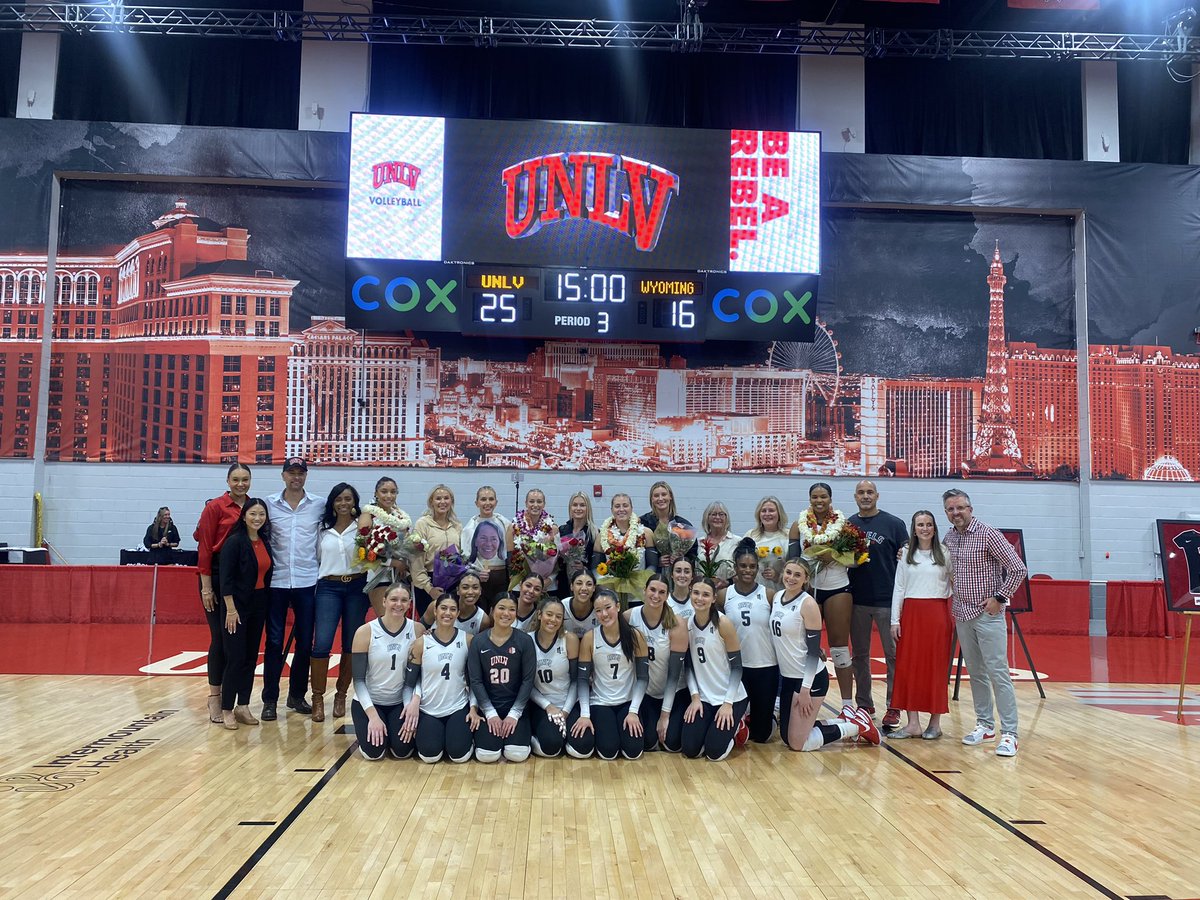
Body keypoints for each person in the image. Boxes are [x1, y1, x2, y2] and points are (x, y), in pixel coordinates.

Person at [942, 489, 1025, 758]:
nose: (956, 513)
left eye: (960, 508)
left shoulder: (988, 533)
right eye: (951, 510)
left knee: (997, 672)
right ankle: (985, 725)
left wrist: (1000, 597)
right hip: (962, 614)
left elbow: (1018, 568)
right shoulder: (949, 538)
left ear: (970, 508)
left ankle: (1010, 733)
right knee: (975, 672)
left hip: (987, 615)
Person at [770, 559, 881, 751]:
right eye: (788, 573)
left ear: (806, 579)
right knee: (787, 737)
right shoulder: (777, 596)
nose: (791, 578)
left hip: (809, 679)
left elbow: (814, 652)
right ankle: (845, 722)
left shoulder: (808, 604)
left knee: (798, 744)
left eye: (798, 575)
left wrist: (805, 689)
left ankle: (857, 726)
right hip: (789, 678)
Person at [261, 457, 322, 721]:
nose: (296, 477)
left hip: (308, 581)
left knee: (305, 643)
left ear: (306, 476)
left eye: (301, 473)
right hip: (276, 582)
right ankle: (270, 699)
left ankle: (297, 695)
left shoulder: (318, 505)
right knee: (274, 643)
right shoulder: (268, 504)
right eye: (291, 473)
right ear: (283, 475)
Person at [789, 482, 857, 720]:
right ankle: (800, 696)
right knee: (807, 648)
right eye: (815, 497)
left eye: (824, 496)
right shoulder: (799, 525)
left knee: (839, 647)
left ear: (830, 498)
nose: (819, 501)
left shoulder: (843, 524)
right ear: (810, 499)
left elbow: (856, 559)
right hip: (811, 590)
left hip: (838, 587)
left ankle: (847, 703)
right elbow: (792, 561)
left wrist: (834, 556)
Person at [847, 480, 909, 729]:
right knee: (859, 655)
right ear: (855, 497)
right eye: (861, 492)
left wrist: (904, 552)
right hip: (857, 599)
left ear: (877, 496)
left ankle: (894, 706)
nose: (865, 496)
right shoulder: (848, 524)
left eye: (869, 492)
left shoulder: (894, 524)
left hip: (887, 600)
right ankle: (864, 704)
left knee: (893, 655)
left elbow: (907, 554)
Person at [889, 511, 955, 740]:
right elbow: (899, 587)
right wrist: (894, 620)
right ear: (914, 529)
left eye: (928, 524)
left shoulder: (945, 553)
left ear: (934, 528)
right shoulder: (906, 554)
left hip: (937, 616)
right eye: (920, 525)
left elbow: (956, 584)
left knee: (935, 669)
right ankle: (913, 724)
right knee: (909, 669)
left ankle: (935, 724)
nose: (925, 528)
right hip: (911, 615)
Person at [194, 462, 252, 723]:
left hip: (243, 581)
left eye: (245, 479)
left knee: (240, 644)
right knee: (220, 639)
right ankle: (215, 697)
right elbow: (205, 547)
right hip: (216, 578)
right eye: (236, 479)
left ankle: (238, 701)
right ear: (228, 481)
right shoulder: (215, 507)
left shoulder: (253, 507)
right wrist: (207, 587)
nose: (241, 484)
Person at [568, 590, 649, 760]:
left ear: (618, 606)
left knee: (633, 752)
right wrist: (585, 714)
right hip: (600, 702)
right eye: (598, 610)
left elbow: (643, 678)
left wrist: (634, 711)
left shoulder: (636, 636)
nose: (604, 614)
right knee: (608, 752)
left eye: (608, 607)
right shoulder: (590, 638)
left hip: (627, 702)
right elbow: (582, 680)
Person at [400, 594, 479, 764]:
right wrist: (411, 705)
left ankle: (461, 738)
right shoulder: (422, 642)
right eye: (443, 608)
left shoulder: (468, 640)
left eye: (452, 609)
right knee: (429, 756)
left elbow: (474, 682)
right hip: (429, 708)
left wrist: (473, 707)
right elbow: (409, 683)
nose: (447, 613)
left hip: (457, 707)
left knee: (459, 756)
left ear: (458, 613)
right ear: (435, 611)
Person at [349, 583, 424, 760]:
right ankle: (375, 729)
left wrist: (413, 702)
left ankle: (391, 732)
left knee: (402, 751)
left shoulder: (417, 630)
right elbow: (358, 681)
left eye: (404, 600)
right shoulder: (365, 632)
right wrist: (373, 717)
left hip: (400, 702)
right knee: (373, 754)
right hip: (369, 702)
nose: (398, 604)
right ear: (384, 601)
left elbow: (420, 674)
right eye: (393, 599)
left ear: (409, 603)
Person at [217, 497, 273, 730]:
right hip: (236, 607)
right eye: (253, 514)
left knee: (251, 658)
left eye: (261, 514)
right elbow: (225, 578)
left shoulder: (264, 541)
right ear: (244, 516)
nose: (257, 518)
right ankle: (227, 708)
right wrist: (230, 609)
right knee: (236, 658)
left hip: (258, 604)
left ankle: (243, 705)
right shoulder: (234, 542)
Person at [312, 482, 366, 723]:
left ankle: (341, 695)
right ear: (332, 503)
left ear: (355, 502)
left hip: (357, 587)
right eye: (339, 499)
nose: (344, 503)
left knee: (351, 643)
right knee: (322, 642)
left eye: (348, 499)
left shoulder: (363, 527)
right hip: (328, 587)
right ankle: (317, 698)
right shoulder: (322, 529)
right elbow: (315, 558)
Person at [680, 579, 749, 761]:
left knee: (714, 754)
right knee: (690, 750)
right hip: (703, 698)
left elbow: (737, 668)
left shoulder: (723, 623)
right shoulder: (687, 625)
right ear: (690, 593)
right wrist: (695, 697)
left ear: (713, 598)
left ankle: (739, 725)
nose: (700, 598)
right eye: (696, 593)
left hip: (730, 697)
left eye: (705, 594)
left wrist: (728, 704)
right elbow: (688, 666)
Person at [719, 539, 778, 743]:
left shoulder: (769, 595)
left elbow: (787, 624)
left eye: (752, 566)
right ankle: (745, 715)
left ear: (757, 569)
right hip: (736, 668)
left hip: (765, 666)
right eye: (743, 566)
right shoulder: (723, 596)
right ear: (735, 567)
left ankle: (769, 715)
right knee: (733, 731)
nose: (747, 570)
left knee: (761, 736)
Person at [466, 594, 537, 763]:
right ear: (492, 611)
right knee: (487, 755)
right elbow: (475, 680)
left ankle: (529, 734)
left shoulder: (525, 641)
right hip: (488, 706)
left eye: (512, 609)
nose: (506, 613)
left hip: (515, 707)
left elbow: (528, 680)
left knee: (516, 755)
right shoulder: (478, 641)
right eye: (501, 608)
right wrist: (490, 713)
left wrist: (514, 713)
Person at [625, 573, 689, 752]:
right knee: (647, 742)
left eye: (662, 592)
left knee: (672, 743)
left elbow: (674, 674)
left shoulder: (677, 623)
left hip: (674, 691)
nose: (656, 595)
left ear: (667, 596)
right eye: (652, 590)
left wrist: (665, 715)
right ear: (644, 591)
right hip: (646, 691)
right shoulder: (630, 616)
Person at [529, 598, 580, 758]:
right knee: (551, 747)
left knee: (582, 748)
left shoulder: (569, 639)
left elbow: (576, 680)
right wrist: (548, 706)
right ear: (539, 615)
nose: (553, 620)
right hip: (541, 705)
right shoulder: (527, 640)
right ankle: (530, 736)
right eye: (549, 614)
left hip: (568, 703)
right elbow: (526, 684)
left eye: (558, 616)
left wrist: (565, 712)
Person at [357, 476, 412, 618]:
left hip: (399, 576)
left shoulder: (400, 516)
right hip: (378, 576)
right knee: (387, 620)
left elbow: (407, 541)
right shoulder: (368, 514)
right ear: (376, 493)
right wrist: (393, 562)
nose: (389, 495)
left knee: (400, 621)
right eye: (384, 491)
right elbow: (362, 550)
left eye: (393, 492)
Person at [410, 484, 463, 617]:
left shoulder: (457, 526)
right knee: (429, 626)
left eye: (446, 498)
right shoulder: (422, 524)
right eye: (438, 498)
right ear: (431, 502)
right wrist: (429, 588)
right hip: (429, 582)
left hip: (453, 582)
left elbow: (462, 555)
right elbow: (416, 561)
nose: (442, 502)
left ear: (451, 501)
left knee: (449, 622)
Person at [507, 488, 558, 592]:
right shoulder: (513, 527)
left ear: (544, 504)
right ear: (526, 503)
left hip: (545, 583)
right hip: (521, 583)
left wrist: (550, 579)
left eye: (539, 502)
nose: (535, 505)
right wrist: (518, 577)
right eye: (531, 501)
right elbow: (510, 558)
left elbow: (557, 560)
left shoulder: (552, 528)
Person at [639, 480, 695, 573]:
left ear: (670, 497)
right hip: (652, 575)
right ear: (652, 499)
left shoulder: (683, 524)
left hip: (677, 576)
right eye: (656, 496)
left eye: (664, 494)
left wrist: (681, 559)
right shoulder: (643, 523)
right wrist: (655, 561)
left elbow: (693, 554)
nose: (660, 498)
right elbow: (638, 552)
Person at [557, 491, 601, 598]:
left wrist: (585, 567)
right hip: (563, 582)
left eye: (582, 505)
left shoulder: (594, 533)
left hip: (585, 584)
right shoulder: (562, 530)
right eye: (575, 505)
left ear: (588, 509)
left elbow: (598, 563)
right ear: (570, 508)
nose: (578, 508)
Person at [743, 496, 789, 593]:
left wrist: (778, 576)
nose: (767, 514)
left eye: (771, 510)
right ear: (759, 514)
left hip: (780, 590)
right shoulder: (750, 535)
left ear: (779, 513)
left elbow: (794, 565)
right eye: (763, 511)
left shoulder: (788, 536)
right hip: (754, 590)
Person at [423, 571, 491, 635]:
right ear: (458, 590)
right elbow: (420, 629)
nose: (470, 592)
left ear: (480, 591)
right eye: (465, 587)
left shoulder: (483, 620)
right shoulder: (437, 605)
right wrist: (425, 633)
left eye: (475, 588)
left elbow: (479, 645)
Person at [460, 485, 511, 563]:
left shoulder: (505, 524)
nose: (487, 503)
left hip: (501, 571)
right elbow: (465, 557)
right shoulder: (470, 528)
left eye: (491, 499)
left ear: (496, 502)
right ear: (477, 503)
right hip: (477, 573)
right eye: (483, 499)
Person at [466, 519, 507, 612]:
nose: (488, 543)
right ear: (475, 541)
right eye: (483, 538)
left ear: (500, 542)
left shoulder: (507, 565)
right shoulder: (467, 566)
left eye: (493, 539)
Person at [697, 501, 739, 591]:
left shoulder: (737, 542)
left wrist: (729, 582)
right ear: (707, 518)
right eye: (713, 514)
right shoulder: (699, 543)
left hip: (728, 592)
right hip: (702, 592)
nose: (717, 517)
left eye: (721, 514)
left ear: (726, 518)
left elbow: (743, 571)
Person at [563, 569, 599, 638]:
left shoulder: (599, 608)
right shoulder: (563, 606)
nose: (584, 588)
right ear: (571, 586)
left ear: (594, 588)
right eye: (579, 583)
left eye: (589, 584)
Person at [668, 557, 696, 622]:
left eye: (687, 572)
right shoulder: (665, 602)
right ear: (672, 574)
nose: (682, 575)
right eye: (678, 571)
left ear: (692, 576)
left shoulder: (698, 599)